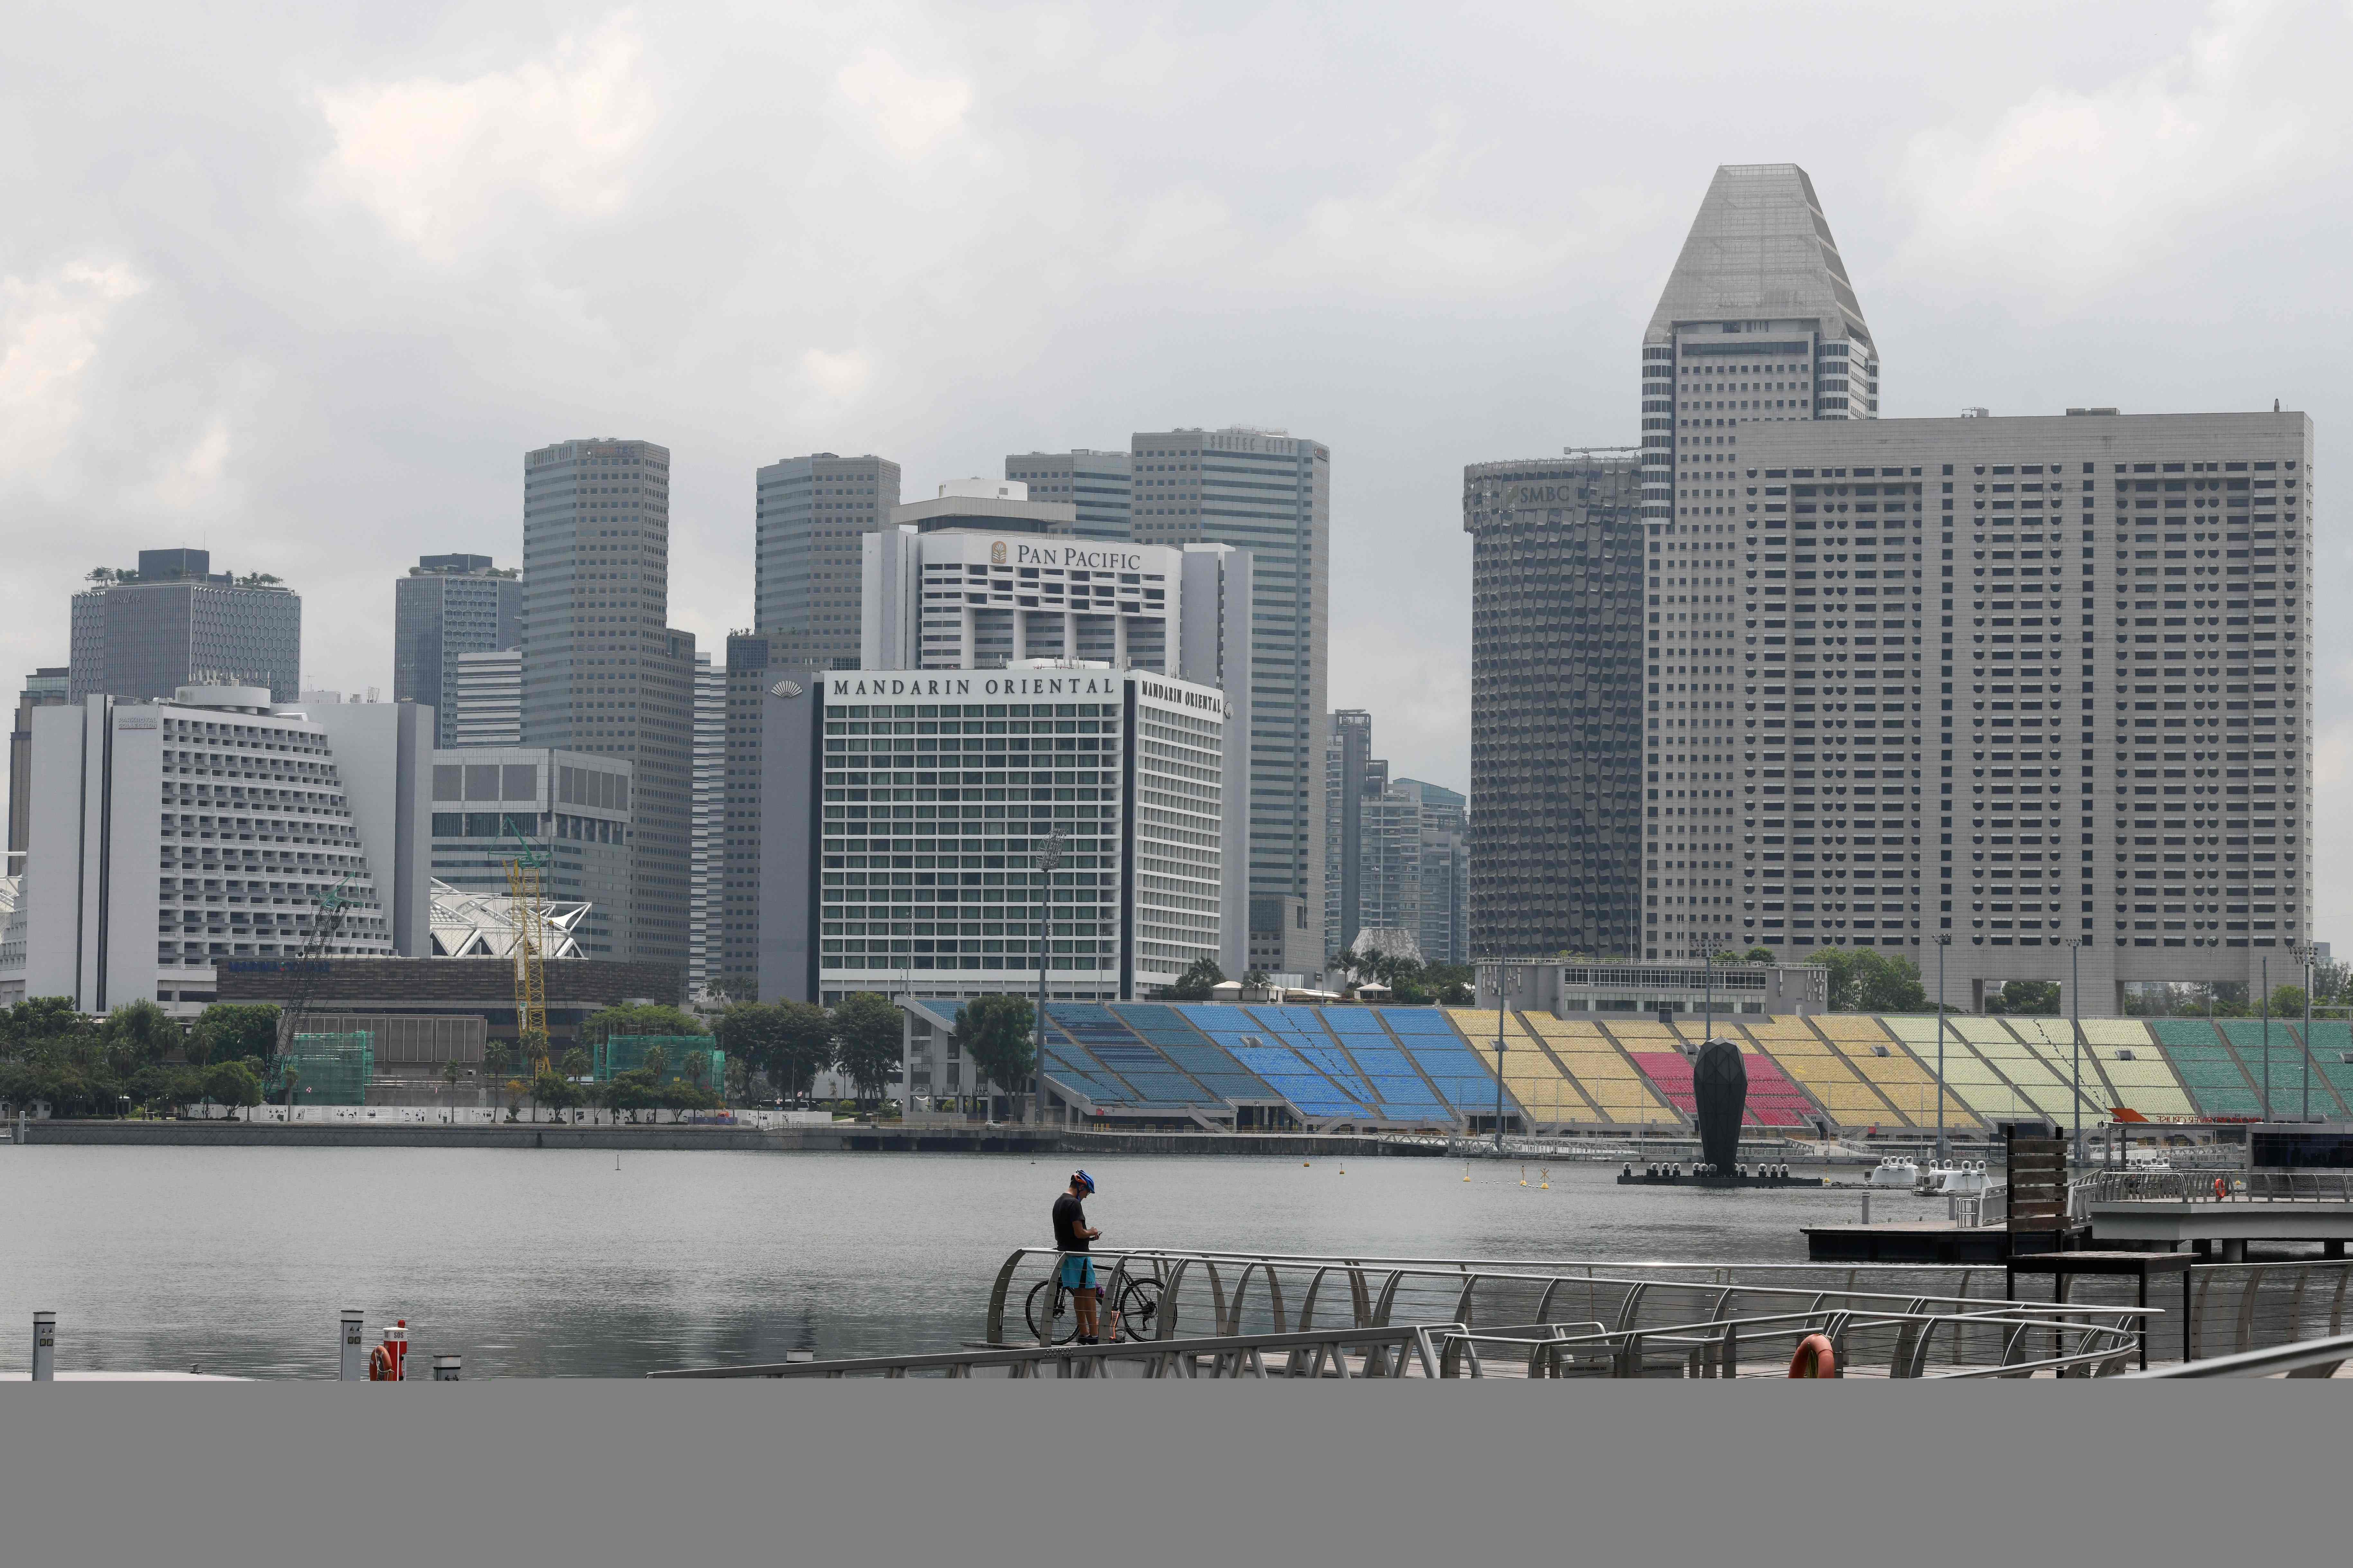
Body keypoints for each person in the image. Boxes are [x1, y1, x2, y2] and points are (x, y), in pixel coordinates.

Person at [1051, 1170, 1103, 1342]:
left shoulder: (1059, 1202)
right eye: (1087, 1191)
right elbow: (1080, 1233)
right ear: (1081, 1187)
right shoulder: (1074, 1204)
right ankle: (1096, 1336)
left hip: (1067, 1254)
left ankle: (1084, 1333)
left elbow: (1069, 1234)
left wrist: (1089, 1236)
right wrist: (1092, 1231)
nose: (1087, 1196)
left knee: (1079, 1296)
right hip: (1080, 1257)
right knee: (1089, 1294)